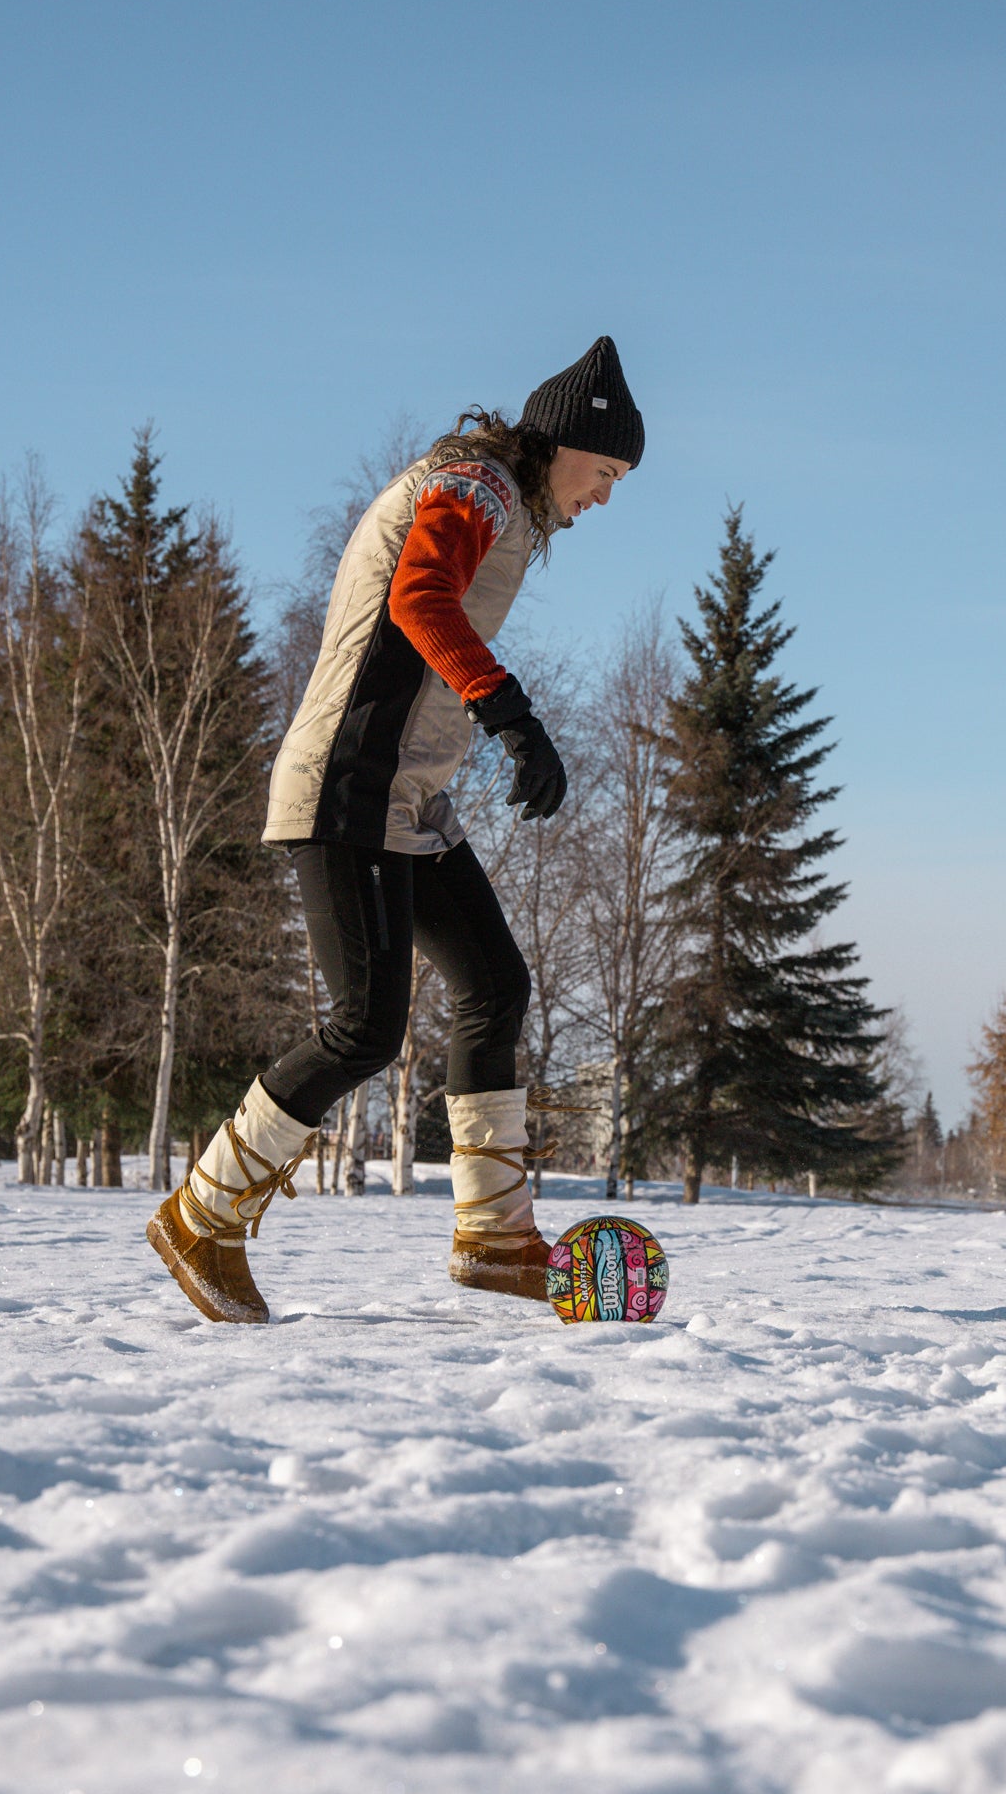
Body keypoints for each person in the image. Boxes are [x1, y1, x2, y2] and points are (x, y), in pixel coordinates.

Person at [147, 337, 642, 1324]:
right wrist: (509, 712)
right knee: (363, 1027)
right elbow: (418, 596)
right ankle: (203, 1214)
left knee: (494, 985)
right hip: (349, 782)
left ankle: (494, 1234)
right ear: (562, 444)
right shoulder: (475, 483)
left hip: (405, 795)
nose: (603, 496)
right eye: (605, 472)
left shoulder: (501, 501)